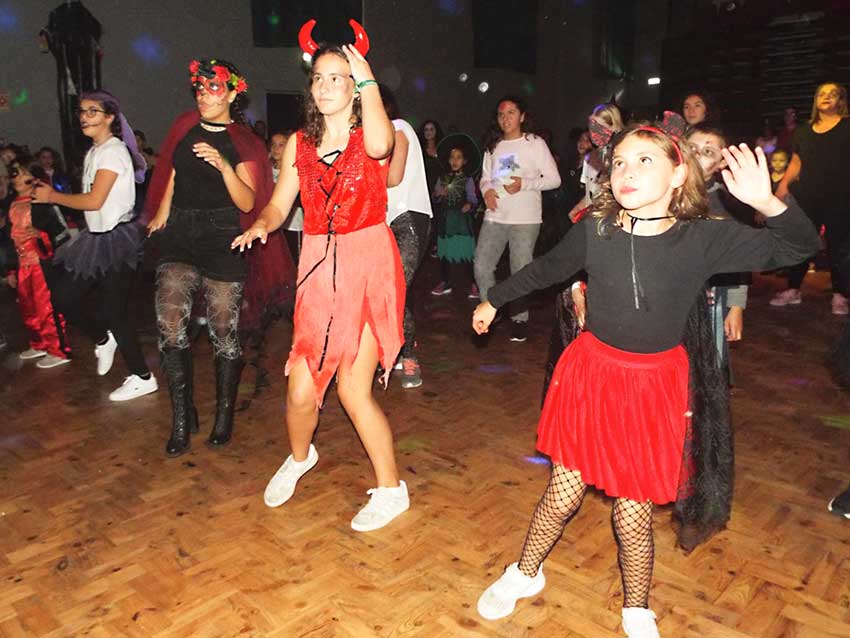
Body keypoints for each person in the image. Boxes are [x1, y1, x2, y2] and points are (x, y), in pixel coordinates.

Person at [471, 122, 819, 637]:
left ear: (680, 174)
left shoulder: (703, 237)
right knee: (564, 492)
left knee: (632, 510)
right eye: (619, 163)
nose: (626, 172)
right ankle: (524, 572)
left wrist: (768, 203)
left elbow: (797, 247)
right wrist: (494, 299)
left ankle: (636, 605)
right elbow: (547, 269)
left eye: (644, 161)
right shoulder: (597, 227)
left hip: (652, 385)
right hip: (591, 374)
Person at [233, 23, 410, 532]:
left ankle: (391, 488)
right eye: (320, 78)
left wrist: (368, 79)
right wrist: (262, 227)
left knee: (355, 391)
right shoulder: (299, 147)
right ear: (310, 87)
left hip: (369, 263)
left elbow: (380, 146)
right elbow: (279, 205)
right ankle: (300, 456)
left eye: (339, 77)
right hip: (317, 267)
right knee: (300, 389)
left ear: (355, 85)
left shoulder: (377, 131)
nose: (327, 86)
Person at [145, 58, 293, 456]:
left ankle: (224, 414)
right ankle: (181, 416)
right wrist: (162, 210)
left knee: (223, 332)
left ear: (232, 93)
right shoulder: (183, 126)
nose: (203, 94)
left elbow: (247, 200)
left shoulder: (243, 141)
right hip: (180, 234)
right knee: (170, 324)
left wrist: (224, 166)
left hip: (223, 237)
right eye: (199, 87)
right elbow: (175, 171)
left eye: (212, 88)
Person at [32, 90, 157, 401]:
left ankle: (143, 376)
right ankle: (103, 338)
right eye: (82, 111)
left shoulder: (113, 152)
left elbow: (94, 199)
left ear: (110, 118)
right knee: (63, 296)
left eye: (93, 111)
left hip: (118, 242)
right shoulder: (94, 152)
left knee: (114, 311)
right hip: (95, 239)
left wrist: (52, 196)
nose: (84, 117)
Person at [475, 95, 561, 343]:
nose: (506, 118)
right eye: (501, 114)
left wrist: (525, 184)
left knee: (520, 269)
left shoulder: (534, 143)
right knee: (482, 264)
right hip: (495, 214)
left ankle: (520, 319)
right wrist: (486, 191)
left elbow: (554, 179)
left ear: (522, 116)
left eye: (511, 113)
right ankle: (488, 309)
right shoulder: (493, 145)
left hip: (526, 217)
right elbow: (485, 177)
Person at [772, 82, 850, 314]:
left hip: (841, 196)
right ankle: (793, 289)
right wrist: (781, 189)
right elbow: (796, 163)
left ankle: (840, 294)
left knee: (840, 247)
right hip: (807, 197)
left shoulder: (847, 126)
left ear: (841, 101)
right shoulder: (803, 131)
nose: (826, 97)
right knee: (802, 242)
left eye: (832, 94)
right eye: (822, 94)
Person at [686, 123, 752, 379]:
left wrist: (736, 308)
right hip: (671, 303)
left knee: (708, 369)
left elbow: (738, 258)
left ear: (721, 164)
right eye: (691, 147)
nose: (697, 154)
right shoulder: (662, 195)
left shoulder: (727, 205)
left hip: (711, 301)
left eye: (708, 151)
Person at [381, 85, 433, 389]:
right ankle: (398, 349)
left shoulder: (398, 128)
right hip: (386, 222)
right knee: (390, 290)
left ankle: (410, 354)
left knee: (395, 290)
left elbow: (394, 176)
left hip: (409, 220)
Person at [6, 159, 71, 368]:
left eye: (22, 171)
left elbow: (61, 234)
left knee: (47, 307)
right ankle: (40, 343)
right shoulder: (13, 205)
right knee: (28, 307)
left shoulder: (42, 204)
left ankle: (58, 349)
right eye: (14, 173)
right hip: (23, 264)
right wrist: (10, 268)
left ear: (33, 178)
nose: (16, 176)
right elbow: (9, 240)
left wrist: (41, 235)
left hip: (41, 264)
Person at [431, 145, 478, 298]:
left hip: (462, 221)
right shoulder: (442, 178)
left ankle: (473, 283)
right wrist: (438, 194)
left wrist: (469, 205)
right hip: (446, 220)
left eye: (459, 157)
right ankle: (445, 281)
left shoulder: (468, 179)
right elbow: (435, 198)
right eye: (452, 157)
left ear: (464, 161)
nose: (455, 161)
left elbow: (473, 198)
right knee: (445, 252)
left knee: (467, 252)